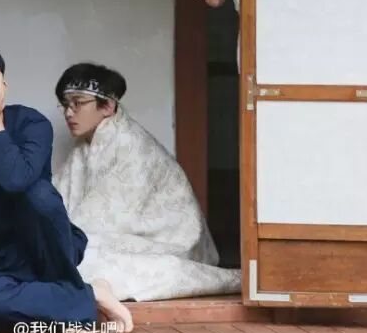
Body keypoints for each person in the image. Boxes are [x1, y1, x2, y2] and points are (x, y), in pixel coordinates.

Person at [0, 43, 133, 332]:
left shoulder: (32, 123)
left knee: (38, 193)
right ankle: (90, 294)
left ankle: (64, 291)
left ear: (1, 87)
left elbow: (16, 179)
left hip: (44, 248)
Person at [53, 63, 241, 301]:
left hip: (169, 243)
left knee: (80, 259)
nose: (69, 113)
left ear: (108, 106)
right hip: (116, 235)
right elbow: (58, 197)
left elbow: (106, 221)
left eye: (78, 103)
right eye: (66, 105)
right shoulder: (84, 145)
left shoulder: (130, 145)